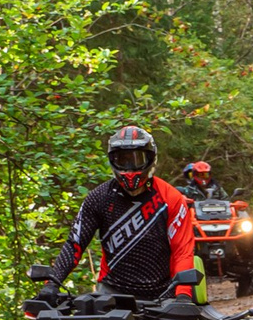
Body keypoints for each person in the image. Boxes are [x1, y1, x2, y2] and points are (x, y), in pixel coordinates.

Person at [52, 125, 197, 301]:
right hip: (112, 294)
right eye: (123, 160)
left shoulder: (171, 198)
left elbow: (182, 251)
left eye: (137, 159)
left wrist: (183, 293)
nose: (129, 168)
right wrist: (52, 284)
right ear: (113, 161)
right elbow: (74, 244)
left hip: (162, 294)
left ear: (150, 159)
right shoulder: (99, 198)